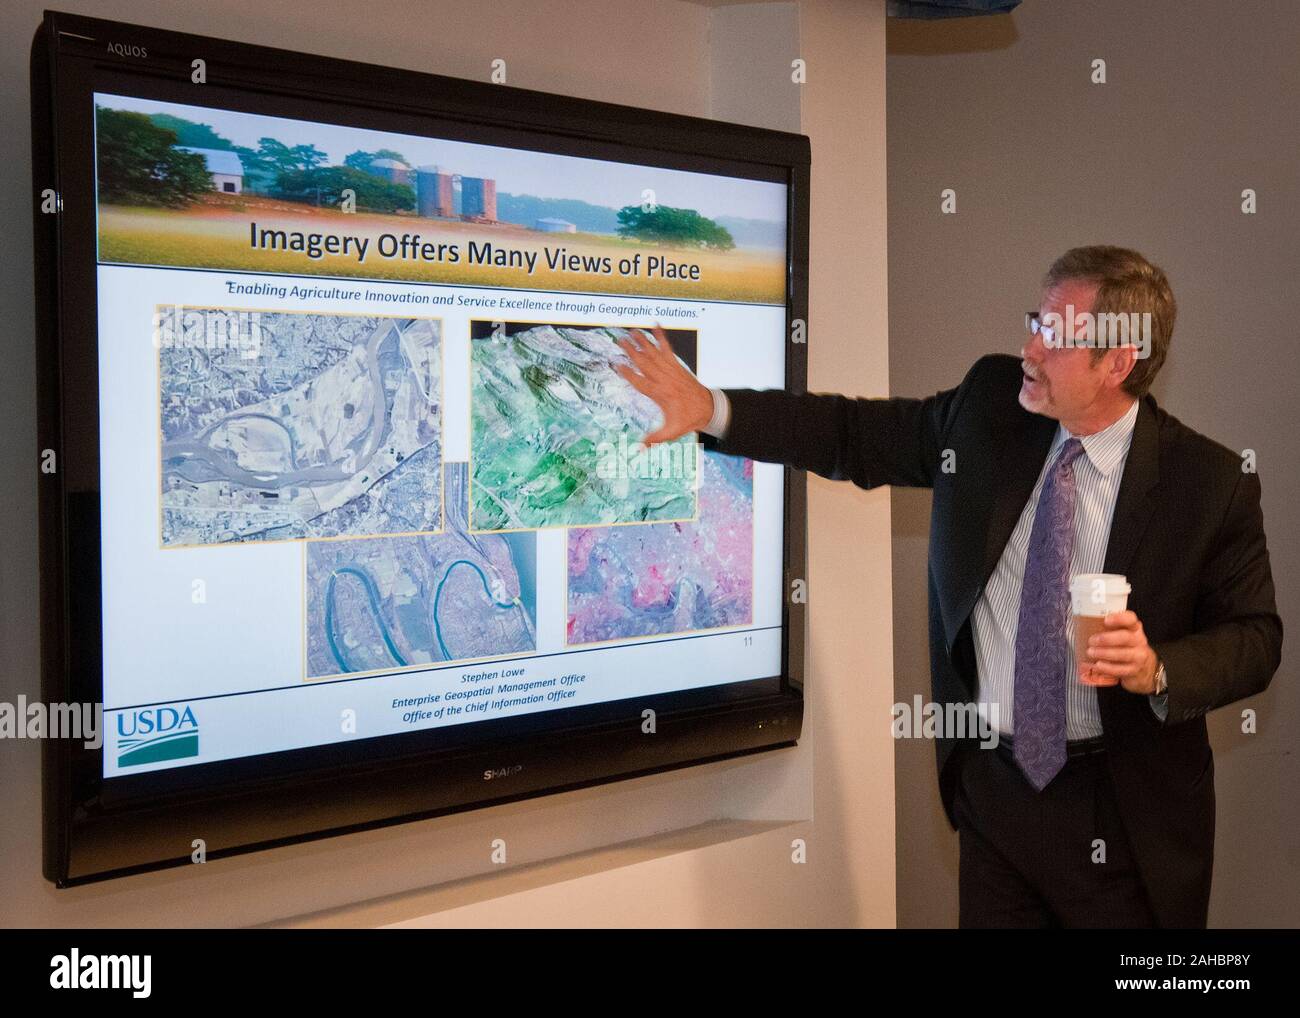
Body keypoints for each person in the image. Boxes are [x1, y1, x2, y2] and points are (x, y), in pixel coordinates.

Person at [613, 245, 1282, 928]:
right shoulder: (990, 409)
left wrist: (1157, 667)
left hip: (1121, 812)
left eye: (1054, 336)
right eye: (1034, 321)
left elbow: (1256, 639)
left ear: (1118, 361)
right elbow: (856, 433)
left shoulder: (1209, 483)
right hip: (996, 800)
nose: (1028, 348)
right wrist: (711, 408)